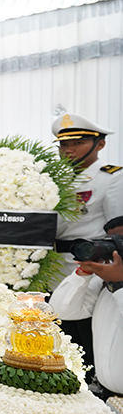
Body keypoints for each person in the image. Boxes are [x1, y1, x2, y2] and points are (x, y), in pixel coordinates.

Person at [52, 113, 123, 375]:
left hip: (89, 268)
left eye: (78, 143)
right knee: (55, 338)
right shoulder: (53, 181)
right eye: (63, 144)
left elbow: (118, 231)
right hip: (52, 268)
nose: (68, 149)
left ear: (99, 144)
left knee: (84, 340)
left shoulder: (112, 177)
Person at [51, 217, 123, 398]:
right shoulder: (104, 283)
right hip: (108, 398)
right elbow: (62, 310)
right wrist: (83, 273)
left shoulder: (115, 282)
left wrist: (119, 284)